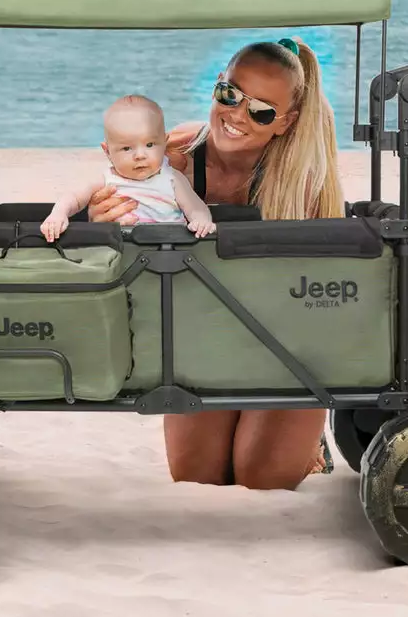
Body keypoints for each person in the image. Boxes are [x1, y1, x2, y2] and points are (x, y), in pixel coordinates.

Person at [88, 37, 345, 490]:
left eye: (261, 111)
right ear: (217, 86)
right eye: (230, 94)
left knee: (261, 479)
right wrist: (101, 220)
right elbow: (119, 248)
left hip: (285, 349)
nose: (237, 115)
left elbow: (321, 293)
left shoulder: (301, 181)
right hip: (201, 345)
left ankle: (310, 439)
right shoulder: (170, 158)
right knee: (197, 480)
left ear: (284, 123)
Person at [40, 94, 216, 243]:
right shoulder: (107, 179)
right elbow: (73, 198)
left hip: (169, 248)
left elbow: (195, 207)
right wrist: (58, 214)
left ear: (164, 142)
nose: (140, 155)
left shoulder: (172, 178)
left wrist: (201, 221)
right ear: (107, 151)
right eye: (126, 148)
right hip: (123, 248)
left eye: (149, 144)